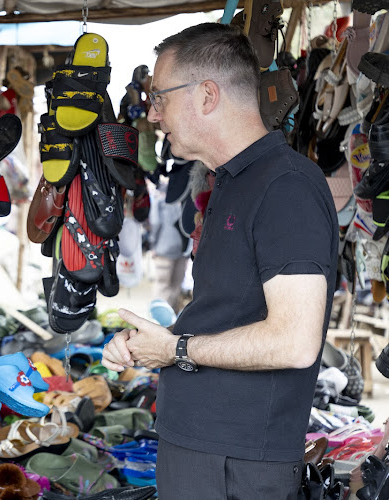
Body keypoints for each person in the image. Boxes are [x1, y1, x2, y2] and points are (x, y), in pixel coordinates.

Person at [102, 23, 338, 499]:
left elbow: (295, 341)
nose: (151, 114)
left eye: (160, 97)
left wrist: (177, 350)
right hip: (209, 453)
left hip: (238, 465)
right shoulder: (233, 180)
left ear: (207, 95)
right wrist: (157, 343)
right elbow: (232, 312)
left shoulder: (285, 188)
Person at [148, 181, 189, 312]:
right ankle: (173, 319)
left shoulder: (160, 201)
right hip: (183, 248)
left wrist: (153, 243)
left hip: (163, 248)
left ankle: (161, 319)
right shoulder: (186, 201)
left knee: (162, 285)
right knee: (176, 285)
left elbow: (155, 223)